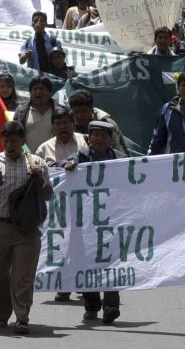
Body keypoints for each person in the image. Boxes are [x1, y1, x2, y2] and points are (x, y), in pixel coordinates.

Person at [0, 120, 53, 336]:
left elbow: (48, 194)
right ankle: (1, 314)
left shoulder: (36, 164)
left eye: (15, 140)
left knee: (23, 276)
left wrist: (39, 178)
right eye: (6, 140)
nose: (10, 144)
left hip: (26, 229)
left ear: (22, 141)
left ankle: (22, 317)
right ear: (2, 141)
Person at [63, 119, 130, 324]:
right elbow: (61, 166)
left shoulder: (120, 160)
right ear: (89, 138)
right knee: (85, 262)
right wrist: (69, 166)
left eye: (103, 135)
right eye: (95, 135)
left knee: (112, 262)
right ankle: (92, 305)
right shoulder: (80, 158)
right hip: (84, 221)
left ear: (110, 139)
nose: (98, 138)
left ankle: (111, 306)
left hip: (111, 219)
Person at [13, 75, 71, 153]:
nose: (38, 92)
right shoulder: (20, 112)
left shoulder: (60, 112)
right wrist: (27, 154)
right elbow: (16, 136)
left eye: (42, 89)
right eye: (35, 89)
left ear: (49, 92)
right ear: (30, 92)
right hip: (27, 157)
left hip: (53, 158)